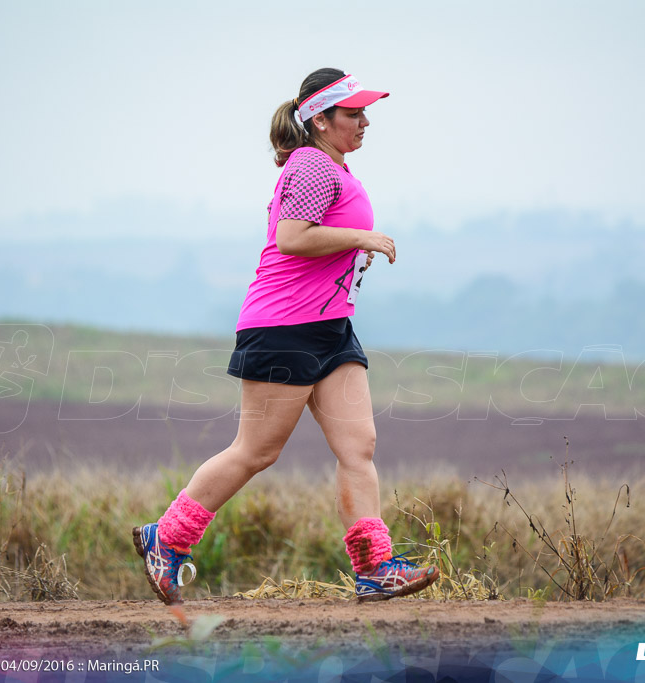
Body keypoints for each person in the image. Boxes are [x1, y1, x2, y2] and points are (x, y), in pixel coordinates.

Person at [132, 68, 440, 605]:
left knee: (358, 445)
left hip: (330, 329)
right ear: (320, 120)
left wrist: (349, 246)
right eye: (353, 113)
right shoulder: (311, 165)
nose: (364, 121)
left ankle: (376, 567)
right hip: (282, 328)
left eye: (365, 112)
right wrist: (362, 236)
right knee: (256, 451)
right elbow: (291, 238)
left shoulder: (332, 166)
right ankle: (167, 538)